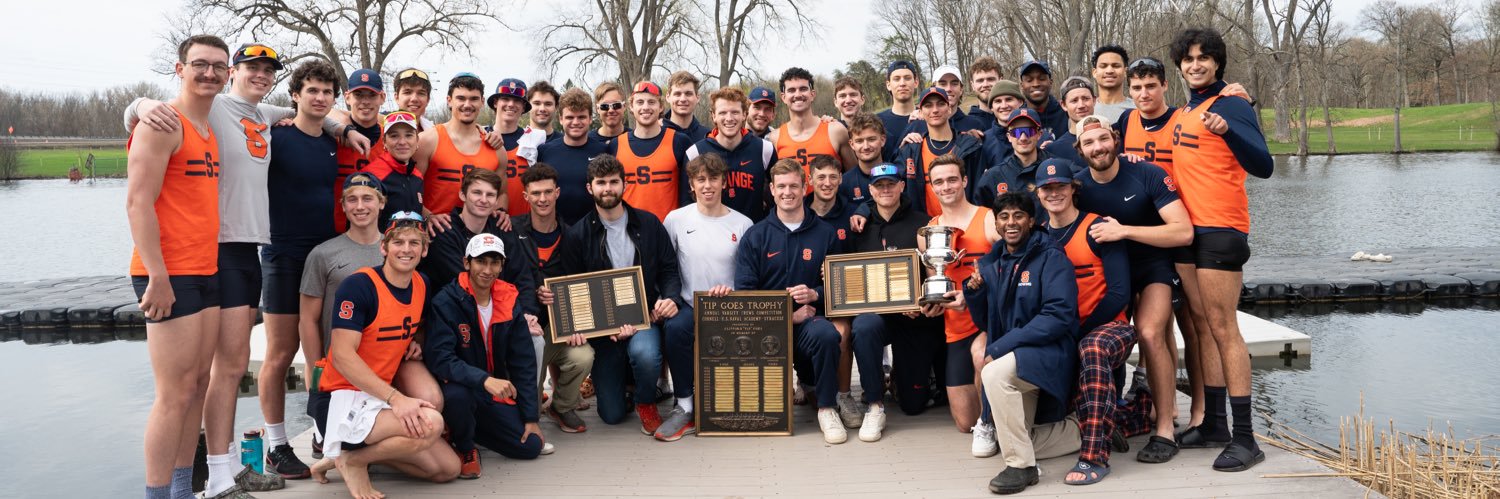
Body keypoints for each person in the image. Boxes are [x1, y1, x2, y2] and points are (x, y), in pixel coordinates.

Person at [124, 41, 368, 497]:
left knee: (228, 369)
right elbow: (146, 148)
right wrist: (139, 104)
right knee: (185, 385)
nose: (258, 75)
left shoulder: (264, 114)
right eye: (247, 67)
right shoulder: (211, 107)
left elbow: (304, 111)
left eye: (267, 69)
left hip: (243, 250)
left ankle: (219, 472)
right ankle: (182, 485)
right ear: (228, 71)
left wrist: (341, 127)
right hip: (202, 252)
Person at [128, 34, 231, 499]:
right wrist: (158, 275)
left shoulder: (207, 128)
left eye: (217, 66)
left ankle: (182, 489)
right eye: (200, 64)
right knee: (172, 395)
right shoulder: (162, 123)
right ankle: (156, 494)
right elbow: (137, 204)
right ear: (179, 68)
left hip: (206, 268)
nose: (209, 73)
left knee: (199, 383)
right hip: (168, 273)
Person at [1169, 27, 1274, 472]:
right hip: (1188, 232)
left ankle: (1247, 439)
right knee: (1200, 322)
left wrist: (1230, 128)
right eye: (1188, 59)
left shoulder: (1230, 103)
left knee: (1223, 326)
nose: (1195, 64)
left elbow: (1263, 164)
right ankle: (1213, 423)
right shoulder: (1187, 110)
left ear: (1217, 63)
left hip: (1221, 229)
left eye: (1203, 58)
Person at [306, 212, 461, 497]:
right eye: (398, 242)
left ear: (424, 249)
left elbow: (415, 323)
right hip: (340, 395)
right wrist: (396, 399)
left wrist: (416, 340)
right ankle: (353, 460)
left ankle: (342, 455)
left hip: (376, 396)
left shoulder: (421, 284)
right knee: (431, 424)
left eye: (415, 243)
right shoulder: (359, 285)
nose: (406, 249)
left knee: (447, 469)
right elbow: (341, 355)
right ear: (383, 248)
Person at [1071, 113, 1195, 464]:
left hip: (1152, 265)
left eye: (1103, 138)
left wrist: (1124, 230)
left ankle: (1166, 430)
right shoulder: (1077, 187)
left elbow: (1182, 231)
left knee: (1151, 332)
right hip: (1108, 276)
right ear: (1080, 151)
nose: (1098, 147)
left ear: (1115, 139)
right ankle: (1105, 414)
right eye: (1089, 143)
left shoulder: (1147, 173)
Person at [956, 192, 1081, 495]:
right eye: (1004, 216)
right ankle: (1087, 430)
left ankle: (1021, 467)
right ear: (996, 223)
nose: (1011, 222)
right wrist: (973, 293)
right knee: (1014, 436)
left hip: (1049, 353)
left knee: (992, 373)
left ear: (1032, 220)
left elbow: (1058, 316)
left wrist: (999, 347)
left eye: (1018, 215)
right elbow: (989, 322)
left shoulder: (1051, 257)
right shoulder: (993, 261)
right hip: (1016, 354)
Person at [549, 154, 683, 433]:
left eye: (613, 182)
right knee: (611, 415)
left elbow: (669, 270)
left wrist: (669, 297)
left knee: (646, 355)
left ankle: (646, 401)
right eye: (601, 183)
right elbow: (573, 288)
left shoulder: (649, 224)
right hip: (604, 330)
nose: (607, 188)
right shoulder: (577, 235)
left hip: (644, 316)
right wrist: (597, 327)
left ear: (624, 185)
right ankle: (623, 389)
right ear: (590, 188)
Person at [256, 60, 341, 481]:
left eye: (327, 91)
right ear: (295, 94)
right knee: (279, 353)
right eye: (312, 90)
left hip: (323, 256)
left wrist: (344, 129)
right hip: (282, 255)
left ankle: (323, 431)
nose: (320, 97)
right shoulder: (277, 136)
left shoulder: (331, 139)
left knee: (322, 350)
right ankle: (276, 445)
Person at [1034, 160, 1134, 486]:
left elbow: (1119, 294)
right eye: (1047, 188)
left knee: (1091, 348)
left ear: (1072, 188)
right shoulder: (1035, 236)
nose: (1054, 193)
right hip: (1059, 332)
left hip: (1107, 328)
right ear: (1037, 193)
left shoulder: (1098, 227)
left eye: (1060, 186)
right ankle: (1117, 421)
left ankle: (1094, 457)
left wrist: (1079, 332)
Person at [735, 159, 847, 444]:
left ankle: (826, 407)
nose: (788, 192)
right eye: (781, 186)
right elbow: (745, 294)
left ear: (804, 187)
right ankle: (789, 386)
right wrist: (786, 315)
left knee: (826, 335)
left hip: (809, 323)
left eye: (794, 186)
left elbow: (840, 287)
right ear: (771, 190)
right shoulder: (755, 236)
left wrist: (816, 294)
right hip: (767, 329)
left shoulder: (825, 233)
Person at [425, 233, 545, 480]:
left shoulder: (509, 300)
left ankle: (462, 428)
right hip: (458, 387)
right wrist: (483, 380)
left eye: (494, 262)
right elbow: (441, 359)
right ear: (467, 262)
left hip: (490, 390)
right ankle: (466, 447)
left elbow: (523, 362)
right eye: (481, 261)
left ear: (502, 266)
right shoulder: (446, 301)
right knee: (459, 396)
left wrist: (531, 418)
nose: (487, 270)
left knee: (531, 446)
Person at [658, 154, 755, 441]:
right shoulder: (676, 219)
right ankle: (685, 405)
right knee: (675, 328)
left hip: (730, 306)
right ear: (691, 184)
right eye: (701, 179)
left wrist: (733, 292)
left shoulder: (743, 223)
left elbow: (747, 274)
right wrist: (670, 299)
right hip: (690, 302)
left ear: (724, 182)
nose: (707, 185)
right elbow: (666, 266)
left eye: (713, 179)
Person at [847, 163, 942, 442]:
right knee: (864, 327)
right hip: (877, 316)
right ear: (871, 190)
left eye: (891, 184)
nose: (885, 189)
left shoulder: (923, 224)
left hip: (913, 317)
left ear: (902, 185)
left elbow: (933, 273)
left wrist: (923, 301)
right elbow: (849, 276)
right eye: (879, 185)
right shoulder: (858, 227)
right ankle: (874, 403)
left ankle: (901, 378)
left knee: (913, 405)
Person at [297, 172, 388, 458]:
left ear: (381, 203)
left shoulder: (397, 249)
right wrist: (316, 373)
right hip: (340, 371)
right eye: (352, 200)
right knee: (338, 449)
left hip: (386, 366)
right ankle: (323, 431)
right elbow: (308, 319)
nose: (360, 206)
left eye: (367, 199)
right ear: (343, 206)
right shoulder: (323, 255)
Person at [918, 155, 999, 453]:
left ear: (965, 181)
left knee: (982, 356)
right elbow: (935, 281)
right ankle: (990, 420)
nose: (946, 186)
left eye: (952, 179)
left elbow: (1007, 266)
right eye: (938, 181)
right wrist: (931, 304)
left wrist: (974, 293)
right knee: (965, 422)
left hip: (988, 320)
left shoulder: (988, 218)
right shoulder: (929, 232)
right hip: (955, 328)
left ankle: (990, 425)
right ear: (931, 187)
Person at [510, 164, 595, 433]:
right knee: (528, 411)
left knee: (583, 356)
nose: (543, 199)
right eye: (535, 193)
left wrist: (575, 325)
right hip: (524, 328)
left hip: (559, 328)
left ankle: (562, 405)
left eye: (548, 192)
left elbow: (582, 286)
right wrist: (533, 292)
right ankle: (533, 406)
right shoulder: (510, 230)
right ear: (525, 196)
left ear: (558, 193)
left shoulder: (573, 236)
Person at [415, 73, 501, 225]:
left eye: (474, 99)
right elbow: (410, 189)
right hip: (437, 234)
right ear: (449, 101)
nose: (467, 104)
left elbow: (503, 193)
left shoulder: (495, 147)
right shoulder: (427, 140)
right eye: (461, 98)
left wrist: (501, 212)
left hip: (479, 235)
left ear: (482, 102)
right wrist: (427, 216)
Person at [686, 87, 776, 222]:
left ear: (744, 115)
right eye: (722, 113)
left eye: (735, 112)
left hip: (754, 234)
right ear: (713, 116)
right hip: (711, 235)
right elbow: (686, 204)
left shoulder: (765, 149)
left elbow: (779, 193)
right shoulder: (695, 152)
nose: (729, 118)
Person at [893, 87, 985, 216]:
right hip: (926, 227)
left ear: (949, 108)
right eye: (928, 105)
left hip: (966, 225)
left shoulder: (970, 146)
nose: (935, 110)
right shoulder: (911, 150)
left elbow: (983, 188)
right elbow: (889, 182)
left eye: (941, 104)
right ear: (920, 112)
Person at [612, 80, 693, 221]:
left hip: (668, 230)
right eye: (640, 102)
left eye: (651, 102)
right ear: (631, 106)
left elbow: (690, 191)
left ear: (661, 106)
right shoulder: (616, 145)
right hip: (629, 229)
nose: (645, 107)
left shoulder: (679, 142)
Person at [769, 67, 857, 187]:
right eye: (792, 90)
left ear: (812, 94)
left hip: (833, 205)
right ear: (783, 97)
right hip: (793, 204)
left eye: (803, 89)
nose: (798, 94)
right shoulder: (774, 138)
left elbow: (854, 176)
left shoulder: (836, 131)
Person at [537, 88, 610, 226]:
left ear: (590, 119)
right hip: (555, 229)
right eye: (570, 117)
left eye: (581, 117)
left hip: (594, 230)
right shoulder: (545, 151)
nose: (575, 122)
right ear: (561, 119)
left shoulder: (603, 151)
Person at [334, 68, 386, 233]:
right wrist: (343, 128)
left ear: (382, 97)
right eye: (359, 95)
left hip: (376, 236)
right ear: (347, 97)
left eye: (371, 95)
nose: (365, 101)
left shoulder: (391, 140)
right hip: (332, 232)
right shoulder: (333, 133)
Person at [485, 77, 547, 216]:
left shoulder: (535, 138)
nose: (511, 104)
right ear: (495, 102)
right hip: (486, 221)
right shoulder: (480, 136)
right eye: (505, 99)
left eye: (517, 100)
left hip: (524, 223)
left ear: (524, 107)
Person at [975, 108, 1055, 211]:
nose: (1023, 137)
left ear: (1039, 134)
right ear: (1009, 137)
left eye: (1029, 131)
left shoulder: (1056, 168)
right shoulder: (994, 177)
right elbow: (982, 216)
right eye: (1016, 132)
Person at [364, 112, 426, 230]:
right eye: (394, 136)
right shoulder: (371, 176)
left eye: (408, 135)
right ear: (384, 142)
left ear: (417, 140)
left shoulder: (417, 176)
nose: (402, 142)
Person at [900, 65, 987, 137]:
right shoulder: (917, 126)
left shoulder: (975, 125)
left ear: (961, 89)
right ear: (933, 87)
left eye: (954, 83)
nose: (948, 89)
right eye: (943, 84)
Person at [1041, 77, 1096, 165]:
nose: (1081, 105)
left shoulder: (1110, 141)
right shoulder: (1053, 150)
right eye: (1074, 101)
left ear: (1094, 100)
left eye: (1085, 98)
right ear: (1063, 105)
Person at [839, 113, 887, 207]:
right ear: (852, 144)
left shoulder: (896, 174)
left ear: (882, 140)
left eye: (871, 139)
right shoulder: (844, 183)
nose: (866, 147)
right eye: (859, 141)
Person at [876, 60, 921, 161]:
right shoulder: (877, 122)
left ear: (916, 82)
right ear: (888, 85)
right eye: (896, 79)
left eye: (907, 78)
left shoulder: (927, 117)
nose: (902, 83)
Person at [978, 80, 1026, 166]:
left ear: (1020, 102)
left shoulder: (1034, 135)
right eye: (998, 101)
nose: (1004, 106)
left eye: (1009, 99)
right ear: (991, 107)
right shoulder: (983, 142)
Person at [1017, 60, 1069, 139]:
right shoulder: (1017, 118)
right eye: (1029, 80)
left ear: (1050, 82)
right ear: (1022, 86)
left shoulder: (1066, 112)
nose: (1036, 84)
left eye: (1041, 79)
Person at [664, 70, 711, 143]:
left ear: (697, 97)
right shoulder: (656, 134)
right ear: (668, 97)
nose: (683, 99)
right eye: (677, 94)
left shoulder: (708, 137)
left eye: (688, 94)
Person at [1091, 45, 1135, 121]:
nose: (1109, 71)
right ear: (1094, 72)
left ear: (1125, 72)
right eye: (1103, 66)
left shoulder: (1138, 109)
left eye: (1116, 66)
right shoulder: (1085, 110)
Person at [967, 57, 1004, 127]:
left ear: (1000, 80)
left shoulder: (1015, 118)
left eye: (990, 79)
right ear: (972, 85)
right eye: (980, 80)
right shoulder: (967, 125)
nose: (985, 85)